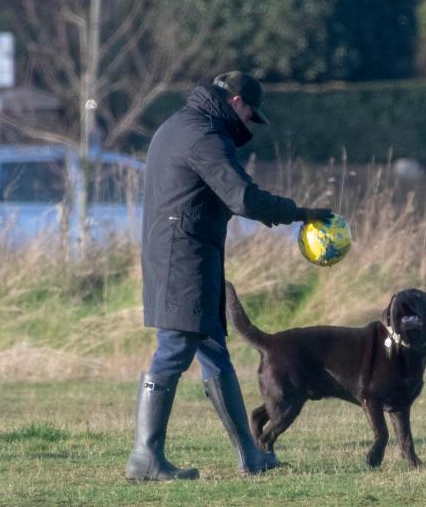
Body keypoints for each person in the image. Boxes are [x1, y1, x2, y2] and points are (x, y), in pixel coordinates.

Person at [125, 71, 333, 481]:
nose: (248, 124)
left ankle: (250, 458)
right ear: (236, 101)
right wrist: (299, 213)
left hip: (186, 252)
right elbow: (243, 197)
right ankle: (144, 457)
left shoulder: (179, 125)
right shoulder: (203, 136)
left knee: (213, 349)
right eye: (251, 114)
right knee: (174, 348)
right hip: (182, 257)